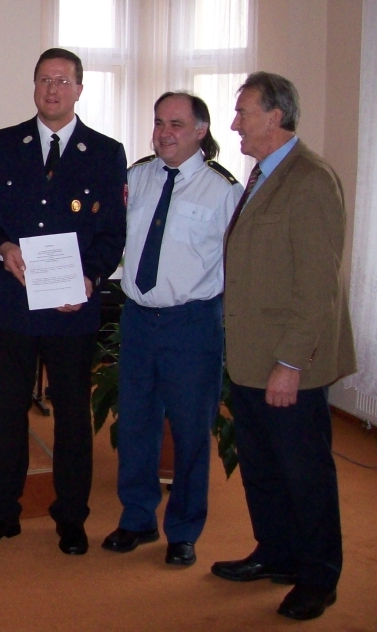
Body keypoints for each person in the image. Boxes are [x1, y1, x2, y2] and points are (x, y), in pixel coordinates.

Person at [0, 48, 127, 555]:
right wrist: (1, 248)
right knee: (7, 411)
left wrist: (91, 278)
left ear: (80, 88)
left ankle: (71, 516)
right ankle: (1, 512)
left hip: (72, 310)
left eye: (62, 81)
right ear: (33, 87)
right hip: (13, 302)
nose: (51, 89)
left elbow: (113, 232)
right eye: (43, 80)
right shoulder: (5, 144)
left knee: (74, 416)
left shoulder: (105, 152)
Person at [211, 72, 356, 621]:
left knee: (305, 472)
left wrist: (290, 363)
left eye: (243, 112)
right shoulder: (263, 176)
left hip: (287, 363)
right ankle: (276, 553)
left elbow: (318, 288)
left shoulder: (311, 179)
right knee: (264, 468)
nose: (234, 123)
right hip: (250, 357)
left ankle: (320, 576)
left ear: (276, 116)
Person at [100, 92, 242, 567]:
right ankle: (137, 519)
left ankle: (183, 531)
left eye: (176, 124)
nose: (164, 132)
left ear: (201, 130)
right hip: (139, 320)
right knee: (136, 423)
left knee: (190, 430)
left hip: (192, 324)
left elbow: (237, 261)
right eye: (159, 122)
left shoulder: (224, 191)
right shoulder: (136, 177)